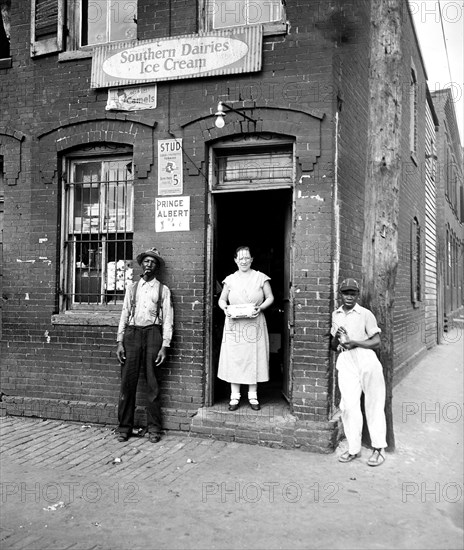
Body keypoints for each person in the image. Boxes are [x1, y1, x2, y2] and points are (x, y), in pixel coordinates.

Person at [116, 247, 173, 443]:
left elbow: (168, 320)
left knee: (152, 384)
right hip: (132, 334)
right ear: (141, 265)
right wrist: (120, 342)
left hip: (153, 334)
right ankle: (124, 427)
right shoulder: (132, 288)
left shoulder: (162, 290)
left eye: (153, 262)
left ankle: (154, 429)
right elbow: (124, 314)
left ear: (156, 267)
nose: (149, 265)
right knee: (127, 383)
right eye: (146, 261)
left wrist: (165, 345)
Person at [330, 278, 387, 466]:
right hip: (346, 359)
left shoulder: (365, 314)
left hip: (366, 358)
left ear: (357, 295)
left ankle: (378, 449)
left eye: (352, 293)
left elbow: (377, 342)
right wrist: (338, 337)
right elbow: (333, 345)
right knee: (348, 405)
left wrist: (355, 342)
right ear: (341, 294)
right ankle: (354, 449)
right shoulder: (336, 314)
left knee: (374, 403)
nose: (349, 297)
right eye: (345, 293)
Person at [217, 246, 274, 411]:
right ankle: (234, 397)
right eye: (240, 258)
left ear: (251, 259)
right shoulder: (229, 280)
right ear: (235, 260)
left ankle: (252, 396)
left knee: (253, 358)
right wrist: (225, 308)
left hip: (254, 323)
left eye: (246, 258)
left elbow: (270, 297)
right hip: (234, 324)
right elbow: (222, 300)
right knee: (235, 358)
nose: (243, 261)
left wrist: (261, 308)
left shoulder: (260, 277)